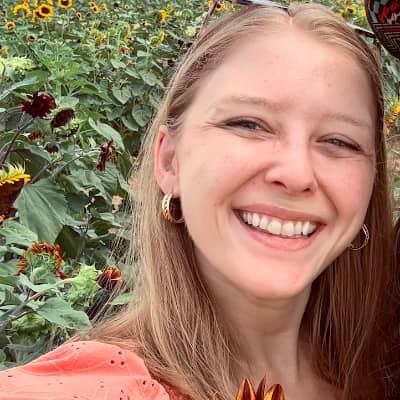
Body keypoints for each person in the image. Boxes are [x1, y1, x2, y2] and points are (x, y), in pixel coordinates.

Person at [0, 2, 394, 399]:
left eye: (339, 141)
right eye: (248, 124)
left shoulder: (379, 375)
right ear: (169, 160)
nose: (296, 174)